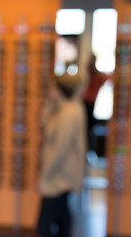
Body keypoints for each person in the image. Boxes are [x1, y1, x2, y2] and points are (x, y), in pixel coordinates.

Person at [37, 72, 87, 237]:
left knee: (44, 224)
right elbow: (43, 124)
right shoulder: (65, 108)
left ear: (59, 89)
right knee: (62, 218)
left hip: (59, 176)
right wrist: (50, 103)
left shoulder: (69, 114)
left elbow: (60, 149)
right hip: (61, 175)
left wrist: (45, 175)